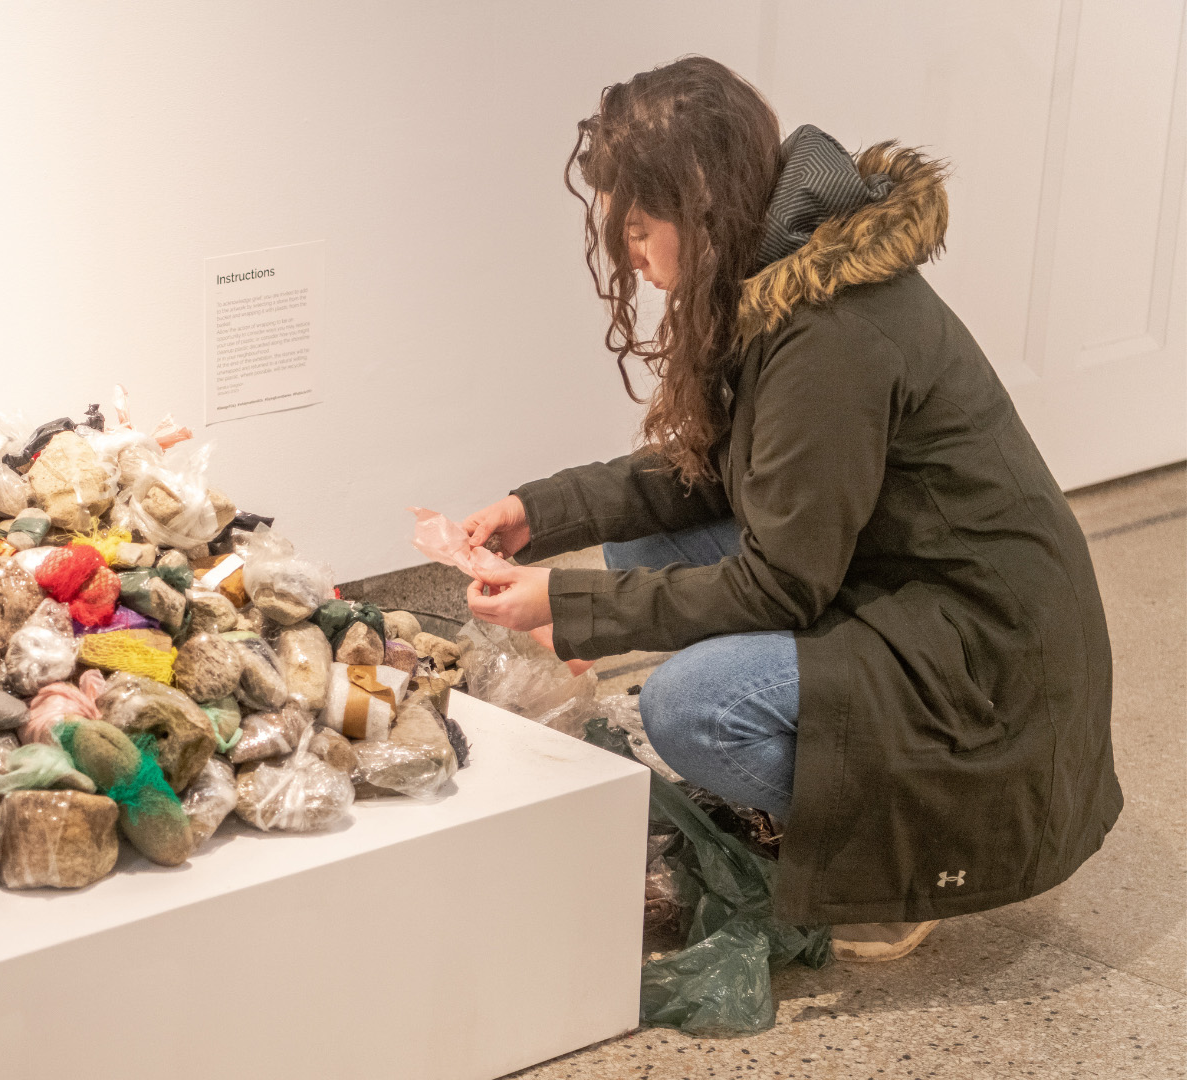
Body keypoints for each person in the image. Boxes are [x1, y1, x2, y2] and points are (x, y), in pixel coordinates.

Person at [460, 57, 1119, 962]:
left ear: (699, 203)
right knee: (649, 545)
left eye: (641, 226)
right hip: (909, 584)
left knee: (692, 710)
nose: (633, 256)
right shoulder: (786, 271)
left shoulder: (828, 334)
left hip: (984, 650)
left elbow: (782, 584)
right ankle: (825, 804)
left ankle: (896, 866)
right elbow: (715, 470)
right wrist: (542, 512)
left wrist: (566, 609)